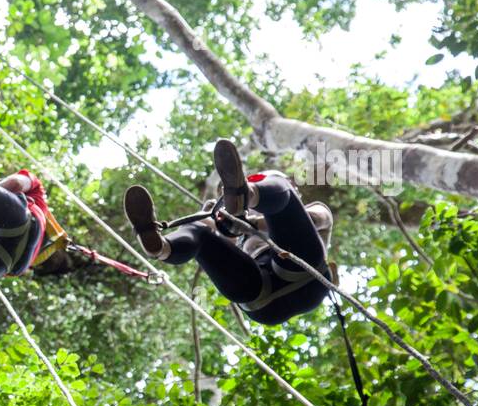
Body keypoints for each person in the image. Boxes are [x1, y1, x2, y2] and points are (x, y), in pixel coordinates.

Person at [124, 139, 334, 326]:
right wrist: (209, 218)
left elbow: (318, 218)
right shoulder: (239, 235)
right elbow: (221, 252)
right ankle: (161, 246)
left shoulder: (310, 207)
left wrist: (251, 222)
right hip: (259, 295)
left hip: (304, 273)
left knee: (280, 192)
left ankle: (248, 194)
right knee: (199, 231)